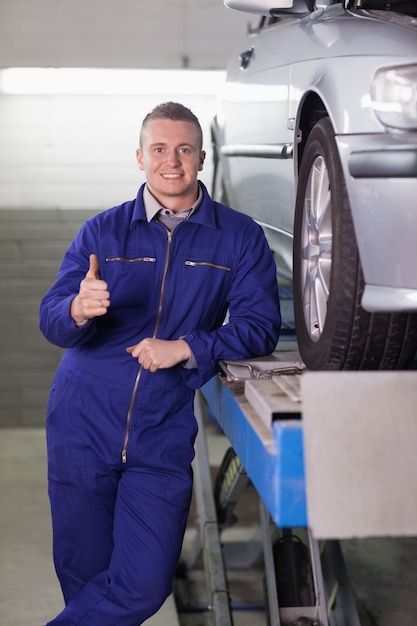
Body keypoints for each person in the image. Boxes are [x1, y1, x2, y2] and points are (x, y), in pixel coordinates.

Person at [39, 101, 281, 625]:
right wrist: (77, 309)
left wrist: (188, 347)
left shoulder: (238, 236)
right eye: (159, 149)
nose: (172, 160)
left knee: (144, 584)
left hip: (161, 427)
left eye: (185, 149)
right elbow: (51, 319)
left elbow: (260, 325)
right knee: (85, 580)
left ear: (202, 158)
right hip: (82, 418)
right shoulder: (102, 232)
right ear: (140, 157)